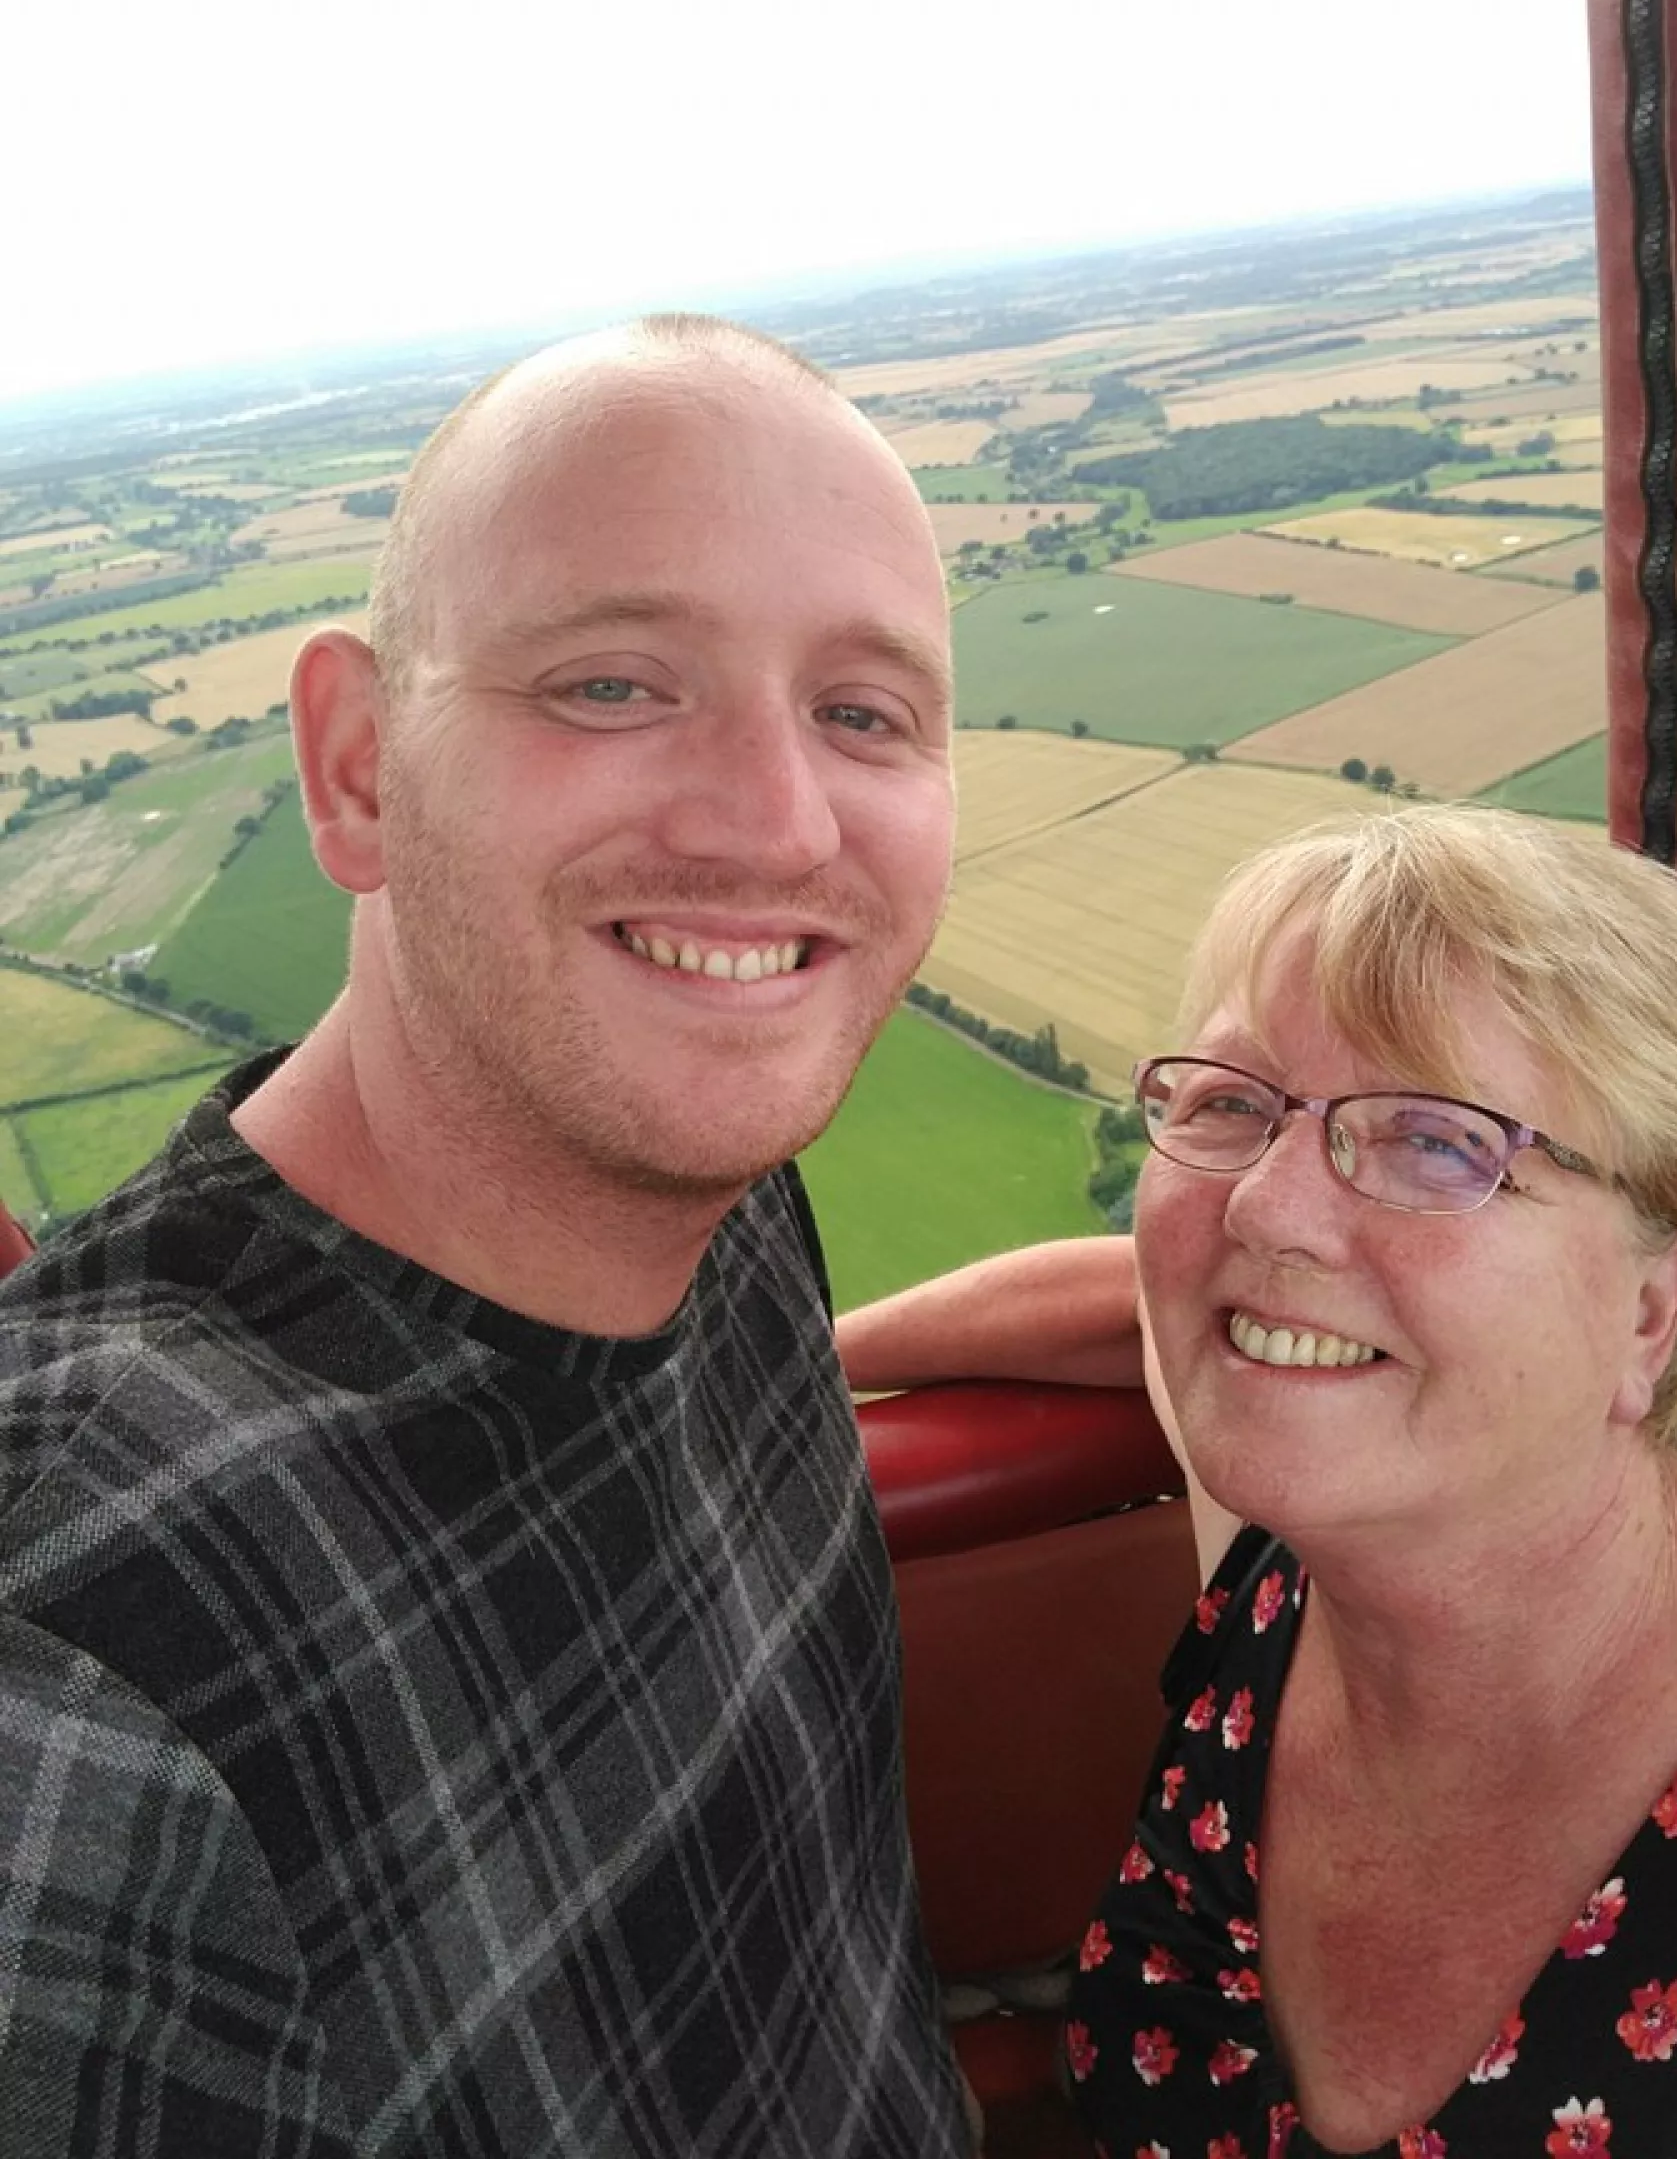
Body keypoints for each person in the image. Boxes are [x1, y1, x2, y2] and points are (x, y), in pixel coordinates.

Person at [0, 316, 996, 2157]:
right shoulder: (88, 1672)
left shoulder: (719, 1211)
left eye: (863, 714)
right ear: (361, 767)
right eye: (615, 685)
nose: (776, 823)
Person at [1057, 806, 1677, 2157]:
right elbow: (1134, 1298)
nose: (1265, 1211)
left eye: (1437, 1141)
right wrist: (820, 1358)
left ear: (1653, 1310)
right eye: (1234, 1105)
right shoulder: (1293, 1514)